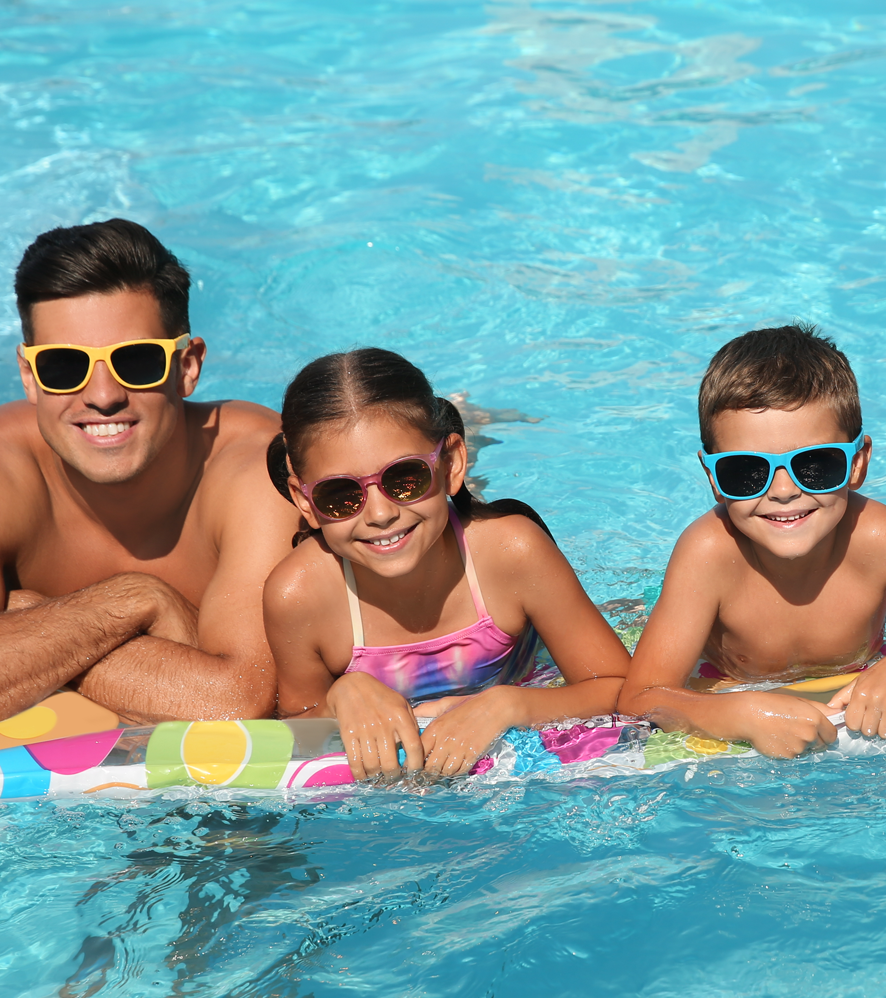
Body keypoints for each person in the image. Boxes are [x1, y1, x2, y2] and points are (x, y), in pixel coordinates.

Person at [616, 324, 886, 758]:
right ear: (712, 477)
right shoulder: (708, 554)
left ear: (857, 463)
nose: (782, 490)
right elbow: (640, 698)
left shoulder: (876, 538)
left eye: (815, 465)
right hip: (724, 678)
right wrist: (736, 713)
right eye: (745, 471)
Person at [263, 348, 630, 779]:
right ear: (305, 502)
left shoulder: (512, 553)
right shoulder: (298, 596)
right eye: (341, 495)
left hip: (528, 678)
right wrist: (341, 695)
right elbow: (294, 730)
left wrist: (510, 704)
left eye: (405, 478)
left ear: (453, 463)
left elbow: (625, 691)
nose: (379, 514)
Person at [0, 219, 299, 724]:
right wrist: (137, 600)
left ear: (187, 366)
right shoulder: (7, 472)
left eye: (136, 362)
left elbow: (240, 702)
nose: (102, 396)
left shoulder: (261, 469)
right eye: (62, 366)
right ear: (30, 377)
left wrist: (32, 618)